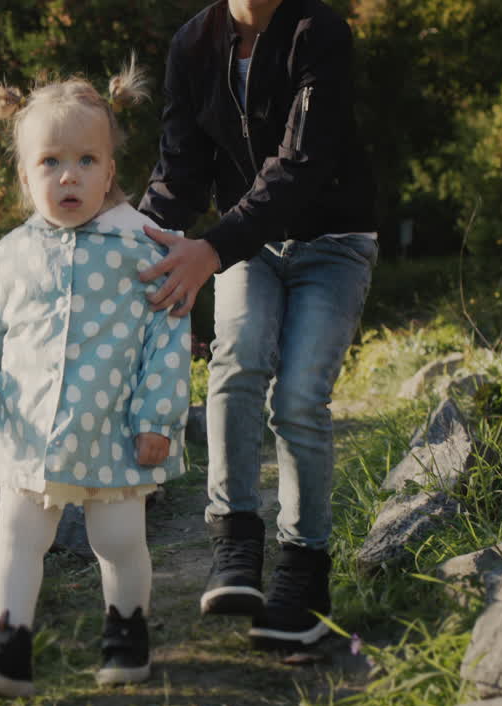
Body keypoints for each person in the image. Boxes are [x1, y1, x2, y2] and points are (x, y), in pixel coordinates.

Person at [0, 62, 191, 697]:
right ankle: (6, 648)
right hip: (28, 437)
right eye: (51, 162)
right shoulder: (12, 255)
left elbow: (166, 341)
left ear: (111, 170)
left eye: (88, 160)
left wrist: (157, 420)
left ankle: (127, 631)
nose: (70, 175)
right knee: (15, 539)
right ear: (25, 173)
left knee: (117, 540)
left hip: (114, 434)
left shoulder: (143, 251)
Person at [137, 0, 378, 652]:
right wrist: (131, 246)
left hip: (333, 243)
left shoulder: (317, 33)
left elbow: (300, 164)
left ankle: (304, 578)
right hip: (248, 249)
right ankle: (235, 542)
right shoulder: (192, 45)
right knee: (236, 362)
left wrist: (211, 249)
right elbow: (179, 171)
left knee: (299, 399)